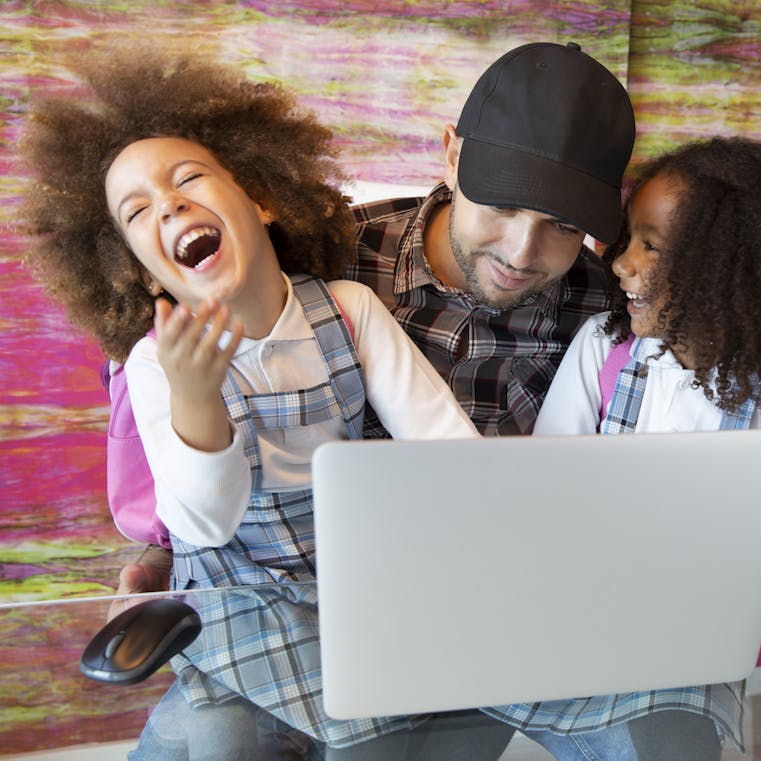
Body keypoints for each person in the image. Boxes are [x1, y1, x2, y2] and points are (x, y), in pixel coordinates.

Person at [66, 40, 641, 760]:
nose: (525, 251)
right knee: (213, 736)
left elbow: (456, 450)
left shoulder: (605, 304)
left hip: (440, 591)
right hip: (261, 591)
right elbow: (193, 514)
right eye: (503, 204)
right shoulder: (346, 250)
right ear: (452, 156)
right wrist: (184, 435)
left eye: (563, 224)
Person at [22, 43, 496, 760]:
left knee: (370, 738)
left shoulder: (348, 311)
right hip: (229, 597)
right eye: (138, 210)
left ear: (261, 199)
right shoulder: (153, 362)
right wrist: (194, 394)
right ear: (136, 265)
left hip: (350, 585)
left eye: (188, 180)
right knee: (221, 739)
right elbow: (204, 525)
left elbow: (448, 452)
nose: (171, 204)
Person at [501, 135, 761, 759]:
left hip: (693, 633)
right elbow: (546, 480)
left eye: (650, 246)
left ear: (729, 269)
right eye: (627, 238)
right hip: (581, 612)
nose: (619, 263)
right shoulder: (602, 350)